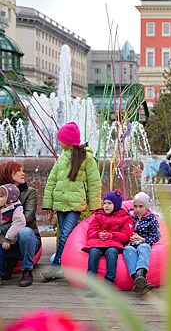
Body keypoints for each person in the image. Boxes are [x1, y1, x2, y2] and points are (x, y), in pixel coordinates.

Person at [41, 121, 102, 282]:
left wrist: (95, 206)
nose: (58, 141)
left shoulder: (87, 158)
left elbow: (94, 182)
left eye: (61, 139)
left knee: (65, 235)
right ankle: (65, 266)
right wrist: (48, 204)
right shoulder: (62, 158)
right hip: (60, 203)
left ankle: (56, 266)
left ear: (68, 141)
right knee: (63, 234)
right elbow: (51, 181)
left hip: (75, 204)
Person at [82, 189, 134, 297]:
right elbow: (91, 231)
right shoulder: (98, 215)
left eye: (109, 203)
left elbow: (126, 235)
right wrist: (99, 234)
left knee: (111, 253)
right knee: (94, 253)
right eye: (104, 203)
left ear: (116, 204)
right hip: (97, 241)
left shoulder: (125, 218)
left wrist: (112, 235)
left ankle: (109, 283)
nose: (106, 206)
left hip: (113, 243)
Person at [0, 162, 40, 287]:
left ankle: (27, 271)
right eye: (19, 170)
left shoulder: (30, 192)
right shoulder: (0, 193)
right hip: (3, 241)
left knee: (25, 231)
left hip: (25, 240)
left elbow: (26, 219)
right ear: (8, 173)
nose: (23, 173)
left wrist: (2, 228)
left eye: (23, 170)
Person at [123, 192, 160, 296]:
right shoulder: (129, 216)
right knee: (128, 250)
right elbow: (122, 230)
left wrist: (142, 239)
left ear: (146, 207)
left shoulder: (151, 218)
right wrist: (128, 236)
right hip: (130, 243)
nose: (137, 209)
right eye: (135, 206)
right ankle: (139, 280)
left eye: (141, 206)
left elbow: (156, 236)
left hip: (143, 242)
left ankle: (140, 273)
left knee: (143, 248)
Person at [0, 184, 26, 286]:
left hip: (6, 238)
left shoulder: (15, 208)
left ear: (10, 198)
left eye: (1, 196)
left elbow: (19, 223)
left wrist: (8, 239)